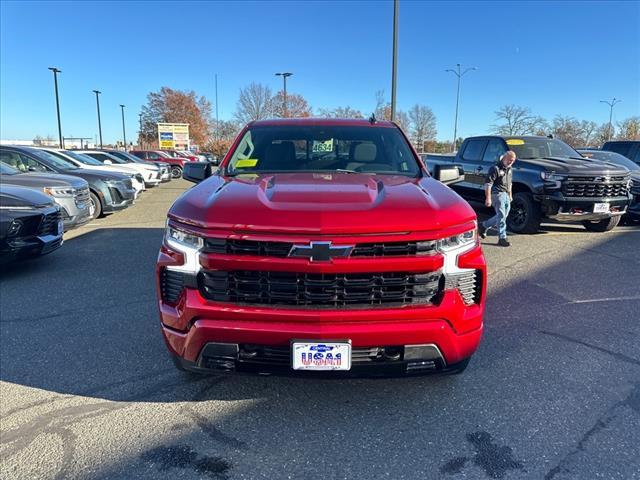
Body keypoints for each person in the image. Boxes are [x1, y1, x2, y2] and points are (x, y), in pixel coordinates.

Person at [478, 150, 516, 247]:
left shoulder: (510, 169)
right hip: (497, 194)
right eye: (509, 160)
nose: (511, 162)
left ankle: (483, 225)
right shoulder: (495, 169)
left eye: (513, 161)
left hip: (506, 194)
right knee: (502, 215)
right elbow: (488, 184)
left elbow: (510, 183)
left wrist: (510, 195)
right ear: (504, 158)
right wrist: (488, 198)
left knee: (503, 215)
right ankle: (502, 238)